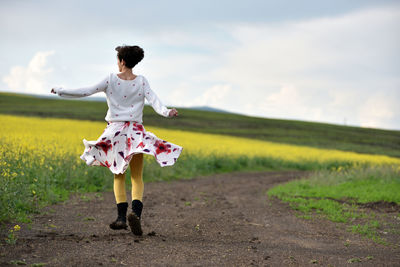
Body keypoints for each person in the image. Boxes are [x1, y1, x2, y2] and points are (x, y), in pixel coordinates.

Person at [50, 45, 183, 236]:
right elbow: (156, 102)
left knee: (118, 174)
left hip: (116, 134)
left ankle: (121, 218)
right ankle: (135, 214)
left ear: (121, 61)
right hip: (136, 134)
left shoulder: (111, 79)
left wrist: (61, 90)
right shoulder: (142, 81)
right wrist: (168, 112)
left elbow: (86, 91)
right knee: (137, 177)